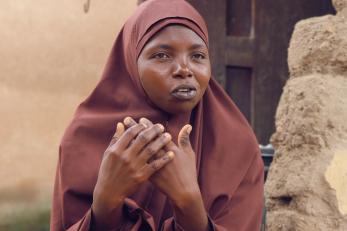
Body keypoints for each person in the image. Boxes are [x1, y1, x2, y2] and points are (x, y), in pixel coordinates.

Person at [50, 0, 264, 230]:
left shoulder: (236, 145)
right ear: (131, 61)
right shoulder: (84, 137)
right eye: (162, 55)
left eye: (198, 56)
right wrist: (106, 200)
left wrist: (189, 201)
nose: (184, 69)